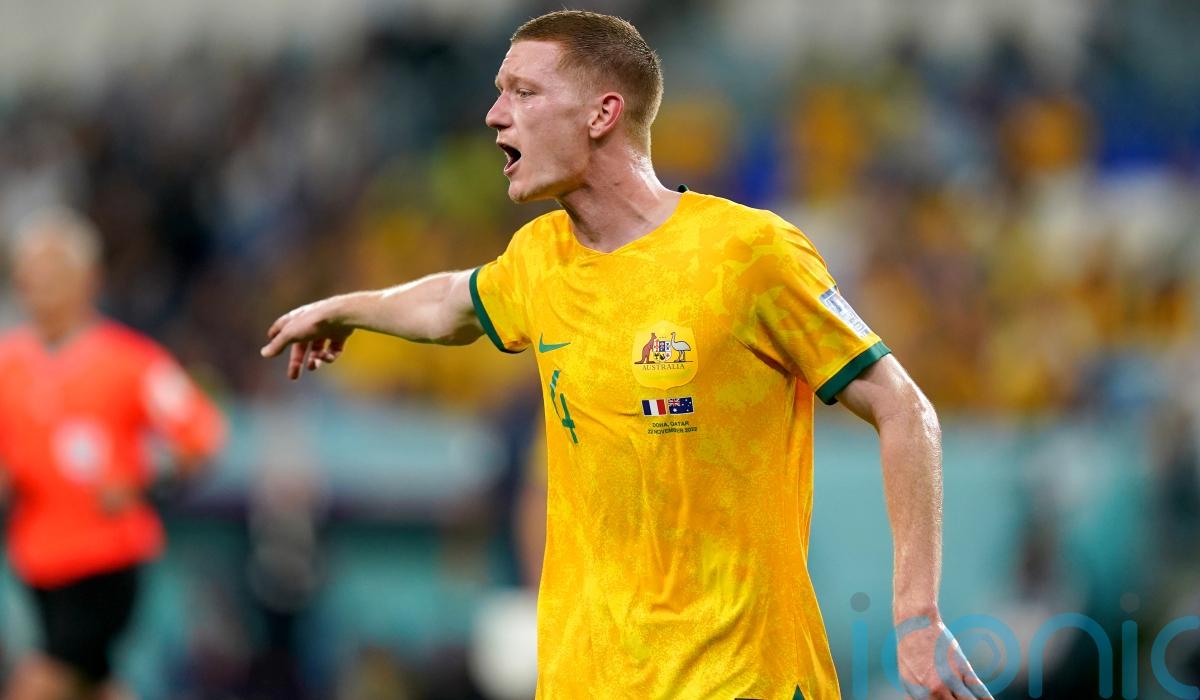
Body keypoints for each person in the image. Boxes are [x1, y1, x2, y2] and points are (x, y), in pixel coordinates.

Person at [261, 10, 991, 700]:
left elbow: (904, 408)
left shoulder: (749, 253)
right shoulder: (539, 258)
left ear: (601, 114)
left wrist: (916, 616)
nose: (494, 115)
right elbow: (451, 302)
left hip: (741, 678)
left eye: (523, 92)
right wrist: (347, 310)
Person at [0, 208, 226, 700]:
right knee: (93, 686)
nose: (40, 286)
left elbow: (202, 434)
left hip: (106, 558)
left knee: (39, 683)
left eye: (54, 273)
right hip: (37, 559)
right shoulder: (8, 364)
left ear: (89, 279)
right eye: (31, 275)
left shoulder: (131, 362)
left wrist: (143, 479)